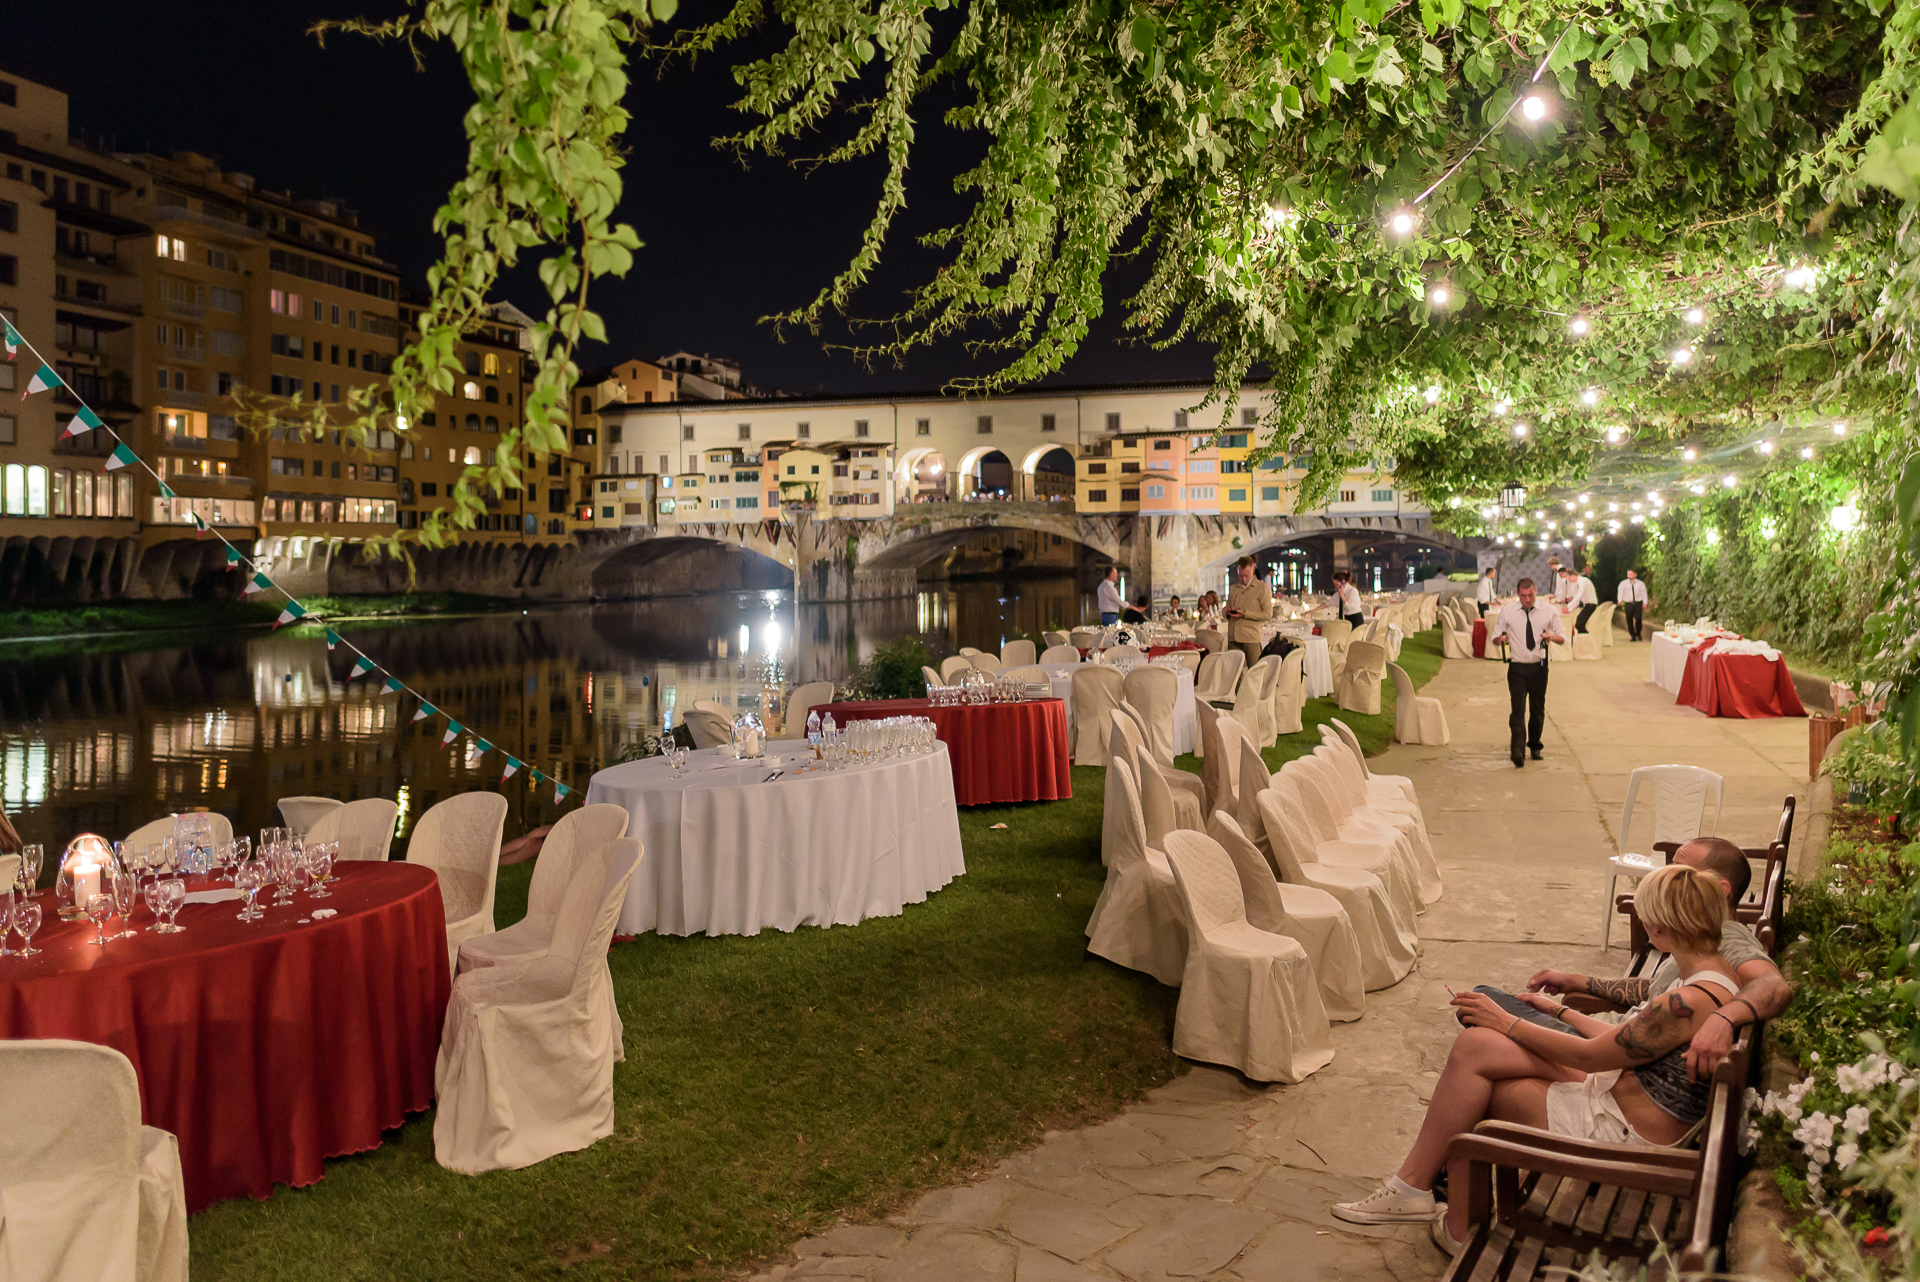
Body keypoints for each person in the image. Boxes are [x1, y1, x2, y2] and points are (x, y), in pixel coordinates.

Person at [1332, 864, 1742, 1257]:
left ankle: (1452, 1224)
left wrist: (1508, 1022)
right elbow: (1623, 1041)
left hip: (1621, 1135)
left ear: (1660, 928)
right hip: (1620, 1102)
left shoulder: (1683, 1002)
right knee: (1477, 1048)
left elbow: (1591, 1056)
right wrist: (1556, 1011)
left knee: (1482, 1097)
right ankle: (1411, 1190)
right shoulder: (1715, 977)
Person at [1526, 836, 1793, 1076]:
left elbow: (1773, 984)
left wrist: (1723, 1019)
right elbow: (1656, 989)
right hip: (1614, 1037)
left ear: (1721, 889)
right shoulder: (1697, 938)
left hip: (1613, 1056)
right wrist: (1578, 982)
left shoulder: (1729, 939)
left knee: (1492, 1020)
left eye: (1681, 872)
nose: (1667, 876)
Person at [1487, 577, 1563, 767]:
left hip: (1539, 666)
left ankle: (1535, 745)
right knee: (1518, 708)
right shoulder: (1508, 611)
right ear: (1517, 593)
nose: (1527, 600)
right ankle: (1517, 749)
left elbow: (1562, 637)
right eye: (1523, 596)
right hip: (1518, 667)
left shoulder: (1548, 611)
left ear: (1535, 591)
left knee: (1537, 709)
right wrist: (1501, 639)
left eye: (1530, 595)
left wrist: (1550, 637)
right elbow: (1495, 636)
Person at [1223, 555, 1273, 669]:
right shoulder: (1233, 588)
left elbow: (1268, 614)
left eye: (1246, 575)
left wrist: (1245, 614)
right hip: (1233, 638)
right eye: (1241, 575)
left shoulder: (1262, 588)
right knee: (1233, 675)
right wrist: (1227, 612)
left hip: (1251, 638)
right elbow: (1225, 609)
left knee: (1254, 673)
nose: (1244, 578)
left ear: (1253, 569)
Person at [1617, 569, 1650, 641]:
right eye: (1628, 574)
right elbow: (1620, 592)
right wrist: (1620, 600)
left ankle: (1638, 633)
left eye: (1631, 574)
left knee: (1638, 618)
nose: (1629, 575)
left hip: (1638, 603)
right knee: (1629, 619)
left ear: (1635, 575)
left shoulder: (1640, 584)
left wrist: (1645, 602)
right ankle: (1632, 635)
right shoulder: (1623, 583)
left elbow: (1644, 593)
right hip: (1628, 603)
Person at [1569, 567, 1599, 634]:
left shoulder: (1583, 581)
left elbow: (1578, 596)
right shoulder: (1580, 582)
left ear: (1573, 575)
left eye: (1569, 578)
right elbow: (1577, 599)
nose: (1569, 580)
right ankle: (1583, 639)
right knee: (1579, 624)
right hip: (1587, 605)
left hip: (1591, 605)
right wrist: (1569, 609)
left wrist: (1568, 607)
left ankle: (1586, 639)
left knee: (1579, 624)